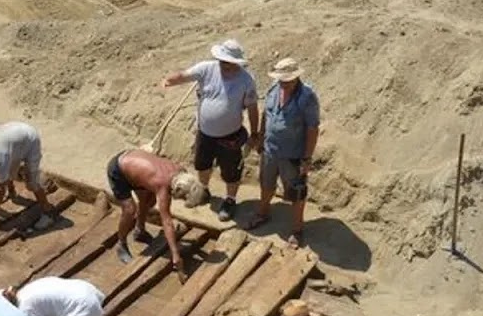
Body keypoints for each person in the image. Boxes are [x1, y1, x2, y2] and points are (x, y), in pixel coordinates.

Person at [159, 39, 260, 222]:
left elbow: (252, 107)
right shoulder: (207, 68)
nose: (225, 65)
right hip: (205, 133)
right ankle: (203, 191)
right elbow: (184, 75)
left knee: (231, 172)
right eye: (223, 61)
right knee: (202, 165)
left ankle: (230, 200)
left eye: (229, 62)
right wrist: (169, 80)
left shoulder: (246, 80)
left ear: (236, 62)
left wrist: (254, 133)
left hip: (230, 136)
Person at [252, 58, 321, 248]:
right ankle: (263, 213)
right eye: (281, 79)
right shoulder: (274, 89)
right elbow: (266, 114)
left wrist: (307, 158)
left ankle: (297, 230)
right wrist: (260, 136)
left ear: (296, 77)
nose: (283, 83)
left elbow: (312, 129)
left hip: (293, 154)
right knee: (266, 184)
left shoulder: (307, 97)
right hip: (270, 149)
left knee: (296, 193)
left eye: (287, 80)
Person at [104, 147, 203, 275]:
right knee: (130, 210)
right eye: (183, 197)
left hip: (134, 163)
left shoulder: (181, 172)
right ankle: (121, 244)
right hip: (119, 169)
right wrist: (175, 255)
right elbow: (167, 221)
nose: (181, 200)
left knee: (149, 201)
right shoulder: (163, 185)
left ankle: (139, 231)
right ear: (179, 189)